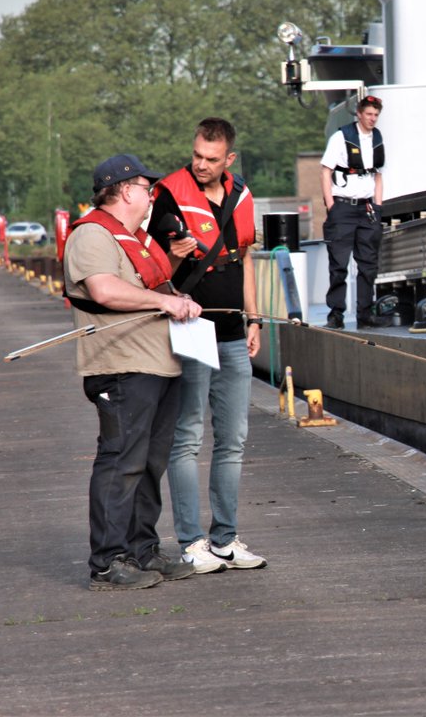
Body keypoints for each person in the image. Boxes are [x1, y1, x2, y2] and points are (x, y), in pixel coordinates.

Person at [65, 154, 203, 591]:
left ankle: (142, 550)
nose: (151, 197)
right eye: (147, 189)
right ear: (126, 190)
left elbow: (152, 286)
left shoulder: (133, 238)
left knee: (149, 464)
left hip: (158, 364)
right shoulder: (92, 234)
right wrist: (165, 303)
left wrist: (177, 298)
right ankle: (107, 562)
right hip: (122, 368)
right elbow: (104, 290)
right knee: (121, 461)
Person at [149, 118, 267, 574]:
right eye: (197, 154)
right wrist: (172, 254)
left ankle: (225, 538)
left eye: (211, 159)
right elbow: (151, 262)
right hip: (190, 328)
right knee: (188, 436)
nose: (201, 164)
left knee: (233, 438)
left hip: (235, 329)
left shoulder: (242, 194)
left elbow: (247, 259)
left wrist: (254, 318)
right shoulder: (169, 193)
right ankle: (190, 541)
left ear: (228, 159)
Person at [320, 95, 387, 330]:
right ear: (359, 113)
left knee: (368, 264)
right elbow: (325, 171)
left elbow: (377, 174)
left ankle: (365, 314)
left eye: (376, 115)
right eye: (369, 114)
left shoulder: (377, 138)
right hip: (343, 208)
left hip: (367, 208)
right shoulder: (341, 137)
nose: (372, 119)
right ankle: (336, 314)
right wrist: (331, 206)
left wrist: (378, 206)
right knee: (339, 264)